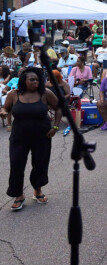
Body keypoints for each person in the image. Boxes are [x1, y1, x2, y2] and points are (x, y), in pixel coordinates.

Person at [1, 67, 62, 211]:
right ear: (24, 81)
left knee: (40, 164)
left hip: (42, 136)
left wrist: (55, 128)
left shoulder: (45, 94)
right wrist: (3, 112)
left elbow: (59, 107)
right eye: (32, 79)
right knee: (16, 165)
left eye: (37, 79)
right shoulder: (14, 94)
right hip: (19, 137)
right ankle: (18, 195)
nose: (36, 82)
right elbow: (5, 108)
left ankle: (37, 191)